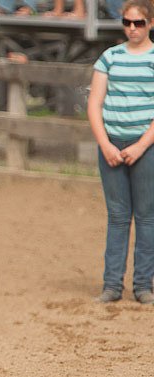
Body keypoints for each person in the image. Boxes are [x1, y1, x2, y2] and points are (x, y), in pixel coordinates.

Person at [87, 0, 154, 304]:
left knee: (147, 217)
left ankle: (143, 284)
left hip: (146, 144)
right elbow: (94, 104)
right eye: (127, 22)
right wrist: (106, 144)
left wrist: (141, 145)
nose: (132, 28)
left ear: (150, 23)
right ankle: (112, 284)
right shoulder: (109, 57)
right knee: (117, 216)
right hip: (112, 143)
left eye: (138, 23)